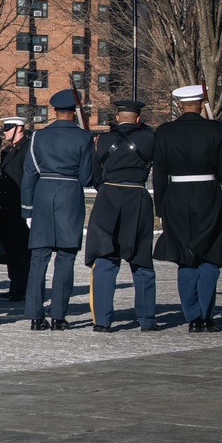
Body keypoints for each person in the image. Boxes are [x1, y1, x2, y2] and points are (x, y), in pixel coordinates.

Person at [152, 85, 222, 333]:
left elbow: (159, 174)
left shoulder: (165, 132)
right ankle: (207, 316)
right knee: (209, 256)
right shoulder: (214, 129)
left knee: (185, 258)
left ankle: (192, 316)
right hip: (207, 197)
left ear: (180, 105)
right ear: (201, 105)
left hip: (175, 198)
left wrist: (161, 207)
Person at [21, 89, 94, 331]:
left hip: (42, 196)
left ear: (54, 111)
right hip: (69, 196)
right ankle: (59, 316)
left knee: (38, 259)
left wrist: (27, 210)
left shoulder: (38, 137)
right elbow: (86, 178)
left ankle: (35, 315)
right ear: (75, 111)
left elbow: (29, 174)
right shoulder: (84, 138)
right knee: (65, 258)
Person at [86, 100, 159, 333]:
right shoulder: (149, 138)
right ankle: (147, 319)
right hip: (136, 196)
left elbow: (94, 174)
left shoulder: (103, 140)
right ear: (138, 118)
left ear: (117, 118)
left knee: (106, 260)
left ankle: (102, 321)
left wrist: (106, 188)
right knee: (141, 261)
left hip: (108, 197)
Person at [0, 117, 32, 302]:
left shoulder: (27, 148)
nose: (5, 131)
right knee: (11, 249)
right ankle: (14, 285)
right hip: (7, 206)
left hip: (20, 204)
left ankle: (21, 288)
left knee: (21, 250)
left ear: (19, 128)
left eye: (9, 128)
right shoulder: (8, 150)